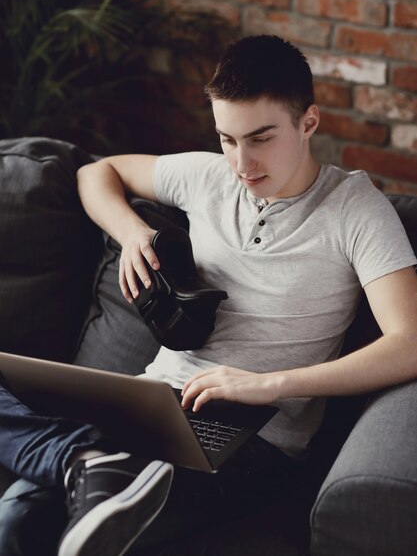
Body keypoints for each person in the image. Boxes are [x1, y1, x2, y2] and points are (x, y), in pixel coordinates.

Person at [0, 34, 416, 556]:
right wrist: (131, 233)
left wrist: (269, 384)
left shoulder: (356, 208)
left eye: (261, 138)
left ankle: (75, 458)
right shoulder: (207, 177)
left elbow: (410, 342)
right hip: (148, 405)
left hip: (253, 440)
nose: (241, 164)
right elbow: (94, 172)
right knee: (14, 518)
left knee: (59, 530)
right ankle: (81, 460)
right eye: (227, 138)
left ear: (308, 122)